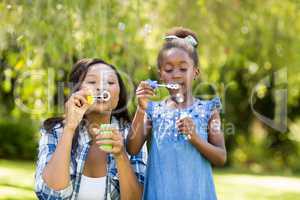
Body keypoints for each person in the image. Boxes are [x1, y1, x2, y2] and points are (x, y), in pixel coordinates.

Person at [127, 27, 226, 200]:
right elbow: (132, 148)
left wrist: (195, 138)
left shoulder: (209, 110)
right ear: (161, 76)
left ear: (195, 72)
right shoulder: (153, 110)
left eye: (183, 69)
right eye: (169, 69)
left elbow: (221, 157)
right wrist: (141, 108)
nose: (176, 75)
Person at [35, 58, 147, 200]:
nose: (101, 87)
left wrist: (121, 155)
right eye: (92, 82)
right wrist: (69, 128)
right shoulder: (55, 131)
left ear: (119, 95)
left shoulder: (132, 136)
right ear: (77, 89)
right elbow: (50, 195)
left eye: (110, 82)